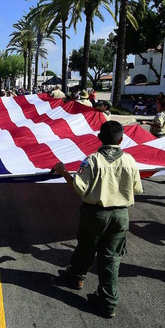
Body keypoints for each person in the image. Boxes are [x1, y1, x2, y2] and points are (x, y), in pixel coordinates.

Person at [53, 121, 143, 318]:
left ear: (99, 137)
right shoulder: (130, 160)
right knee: (111, 257)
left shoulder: (92, 160)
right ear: (121, 139)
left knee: (86, 247)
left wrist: (63, 172)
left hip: (95, 214)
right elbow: (137, 189)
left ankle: (77, 278)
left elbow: (79, 188)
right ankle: (108, 301)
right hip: (121, 216)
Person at [141, 99, 165, 182]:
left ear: (162, 107)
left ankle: (147, 172)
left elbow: (159, 124)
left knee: (150, 155)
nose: (156, 107)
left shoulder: (160, 115)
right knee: (164, 156)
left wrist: (146, 122)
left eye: (158, 105)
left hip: (157, 136)